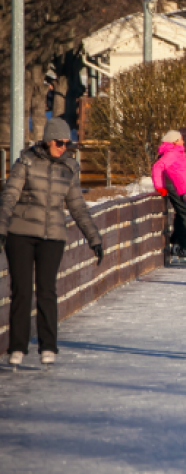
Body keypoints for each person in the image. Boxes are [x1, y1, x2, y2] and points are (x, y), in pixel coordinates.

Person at [0, 119, 103, 368]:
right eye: (59, 143)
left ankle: (48, 346)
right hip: (21, 233)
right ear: (48, 140)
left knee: (47, 290)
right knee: (22, 291)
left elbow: (77, 206)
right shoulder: (25, 162)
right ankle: (17, 347)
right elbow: (9, 196)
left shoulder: (69, 168)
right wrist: (2, 228)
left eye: (68, 143)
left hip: (53, 236)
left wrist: (94, 238)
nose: (63, 148)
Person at [153, 130, 186, 263]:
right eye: (181, 139)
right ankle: (183, 247)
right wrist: (159, 187)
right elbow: (157, 167)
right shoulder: (171, 154)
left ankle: (178, 245)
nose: (183, 141)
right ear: (174, 141)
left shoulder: (179, 153)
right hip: (179, 188)